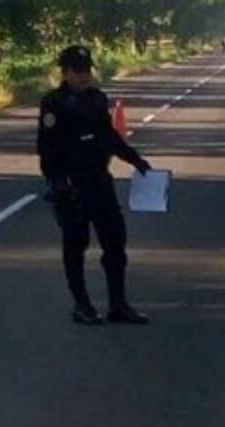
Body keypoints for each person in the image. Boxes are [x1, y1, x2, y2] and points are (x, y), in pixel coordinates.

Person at [37, 45, 152, 325]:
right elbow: (46, 149)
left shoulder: (98, 99)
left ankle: (118, 305)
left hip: (99, 181)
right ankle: (82, 305)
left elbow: (109, 136)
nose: (83, 76)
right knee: (75, 246)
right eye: (77, 71)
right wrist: (57, 182)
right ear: (65, 73)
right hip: (71, 186)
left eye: (86, 71)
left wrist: (134, 159)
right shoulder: (54, 103)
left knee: (115, 243)